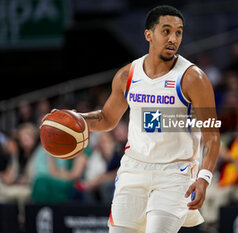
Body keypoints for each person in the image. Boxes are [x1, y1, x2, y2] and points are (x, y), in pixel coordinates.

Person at [51, 5, 220, 233]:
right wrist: (72, 117)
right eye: (166, 31)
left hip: (175, 173)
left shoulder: (193, 78)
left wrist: (204, 178)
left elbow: (211, 134)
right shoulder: (127, 75)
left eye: (178, 32)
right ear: (148, 34)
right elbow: (107, 118)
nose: (173, 38)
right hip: (133, 170)